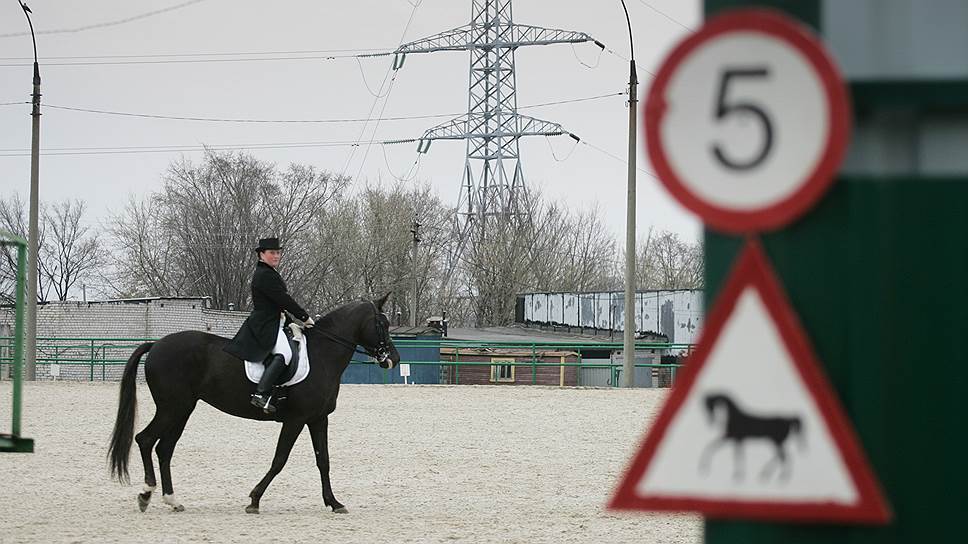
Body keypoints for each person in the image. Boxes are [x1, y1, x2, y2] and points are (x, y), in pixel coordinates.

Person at [224, 236, 314, 412]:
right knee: (285, 354)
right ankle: (261, 394)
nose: (276, 256)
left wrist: (290, 322)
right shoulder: (265, 275)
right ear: (261, 254)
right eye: (272, 253)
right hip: (265, 325)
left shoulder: (270, 273)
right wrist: (303, 317)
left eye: (278, 253)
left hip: (275, 322)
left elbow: (277, 305)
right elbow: (283, 300)